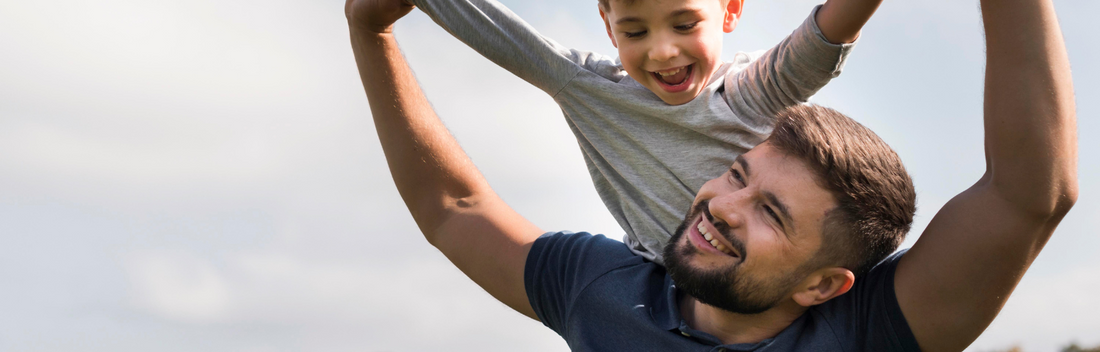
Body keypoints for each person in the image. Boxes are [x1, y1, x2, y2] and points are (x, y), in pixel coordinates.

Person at [347, 0, 1077, 349]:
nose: (723, 205)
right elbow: (453, 208)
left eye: (773, 214)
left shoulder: (869, 333)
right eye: (735, 173)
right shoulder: (603, 293)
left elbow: (1030, 194)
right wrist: (370, 31)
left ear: (824, 283)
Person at [397, 0, 883, 264]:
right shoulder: (591, 90)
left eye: (685, 22)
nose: (664, 51)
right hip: (658, 290)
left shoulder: (751, 92)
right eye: (635, 32)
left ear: (730, 9)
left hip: (770, 286)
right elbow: (494, 28)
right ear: (608, 26)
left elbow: (824, 37)